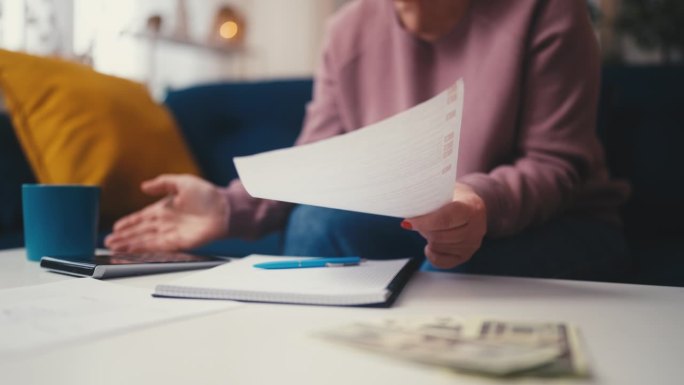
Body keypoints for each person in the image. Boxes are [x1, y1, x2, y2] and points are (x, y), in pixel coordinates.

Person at [106, 0, 631, 281]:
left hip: (548, 224)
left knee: (458, 270)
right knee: (318, 221)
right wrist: (227, 207)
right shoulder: (348, 30)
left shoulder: (548, 10)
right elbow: (317, 165)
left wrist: (477, 201)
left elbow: (555, 164)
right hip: (411, 223)